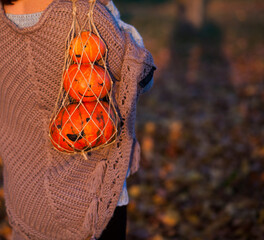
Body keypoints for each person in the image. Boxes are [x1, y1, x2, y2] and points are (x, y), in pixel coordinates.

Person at [0, 0, 155, 239]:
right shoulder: (82, 12)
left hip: (25, 198)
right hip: (88, 202)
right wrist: (111, 13)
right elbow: (141, 76)